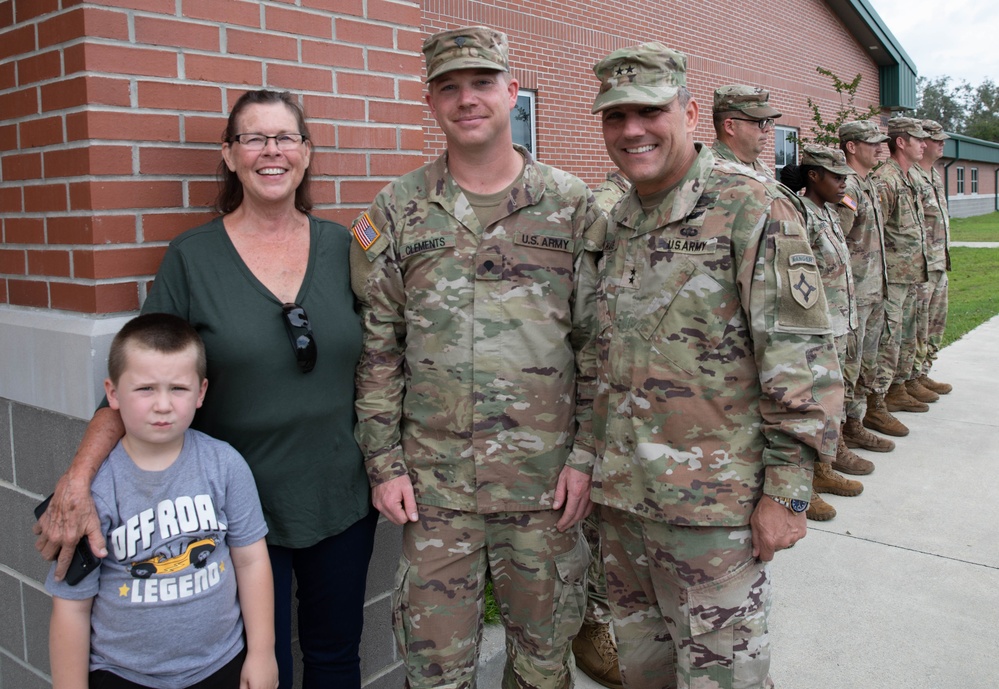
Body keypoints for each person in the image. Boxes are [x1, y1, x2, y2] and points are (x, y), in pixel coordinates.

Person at [35, 89, 377, 689]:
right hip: (232, 509)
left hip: (338, 495)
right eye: (253, 138)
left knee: (334, 653)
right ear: (229, 154)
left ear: (306, 152)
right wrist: (77, 479)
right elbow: (139, 377)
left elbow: (384, 358)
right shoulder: (193, 258)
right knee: (262, 660)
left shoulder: (345, 248)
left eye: (285, 138)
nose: (271, 152)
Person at [350, 26, 603, 689]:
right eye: (449, 87)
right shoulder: (399, 209)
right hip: (435, 493)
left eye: (482, 83)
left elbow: (597, 348)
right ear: (429, 100)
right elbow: (379, 348)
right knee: (434, 670)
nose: (467, 99)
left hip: (545, 488)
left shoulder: (573, 205)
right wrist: (383, 462)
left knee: (543, 666)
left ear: (511, 91)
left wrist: (584, 458)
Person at [587, 42, 842, 687]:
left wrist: (788, 491)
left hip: (714, 515)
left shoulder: (750, 206)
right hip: (623, 504)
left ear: (691, 112)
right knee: (645, 672)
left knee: (724, 676)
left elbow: (801, 355)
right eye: (615, 117)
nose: (632, 130)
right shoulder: (618, 219)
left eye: (650, 111)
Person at [47, 313, 276, 689]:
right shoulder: (92, 493)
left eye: (178, 389)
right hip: (123, 674)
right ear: (113, 393)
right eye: (145, 389)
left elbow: (251, 560)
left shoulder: (225, 465)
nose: (163, 405)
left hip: (219, 665)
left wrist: (262, 653)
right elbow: (72, 608)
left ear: (201, 392)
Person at [780, 144, 871, 522]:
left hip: (841, 320)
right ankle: (805, 483)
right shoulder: (800, 214)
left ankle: (827, 462)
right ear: (813, 176)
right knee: (814, 404)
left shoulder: (831, 212)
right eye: (836, 176)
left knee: (835, 399)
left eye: (845, 176)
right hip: (818, 327)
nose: (843, 183)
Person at [573, 169, 632, 689]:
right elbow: (582, 317)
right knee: (600, 528)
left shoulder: (724, 199)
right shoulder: (603, 207)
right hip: (603, 402)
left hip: (671, 421)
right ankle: (592, 624)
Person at [836, 120, 908, 442]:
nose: (880, 147)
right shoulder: (848, 188)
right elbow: (835, 241)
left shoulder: (867, 184)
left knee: (867, 361)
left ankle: (859, 421)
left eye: (881, 142)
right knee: (849, 366)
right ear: (851, 147)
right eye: (872, 142)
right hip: (855, 295)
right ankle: (843, 431)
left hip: (874, 290)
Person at [872, 117, 931, 417]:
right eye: (917, 139)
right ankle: (877, 399)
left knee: (908, 334)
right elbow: (875, 231)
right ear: (900, 142)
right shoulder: (886, 179)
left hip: (911, 274)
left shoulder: (909, 176)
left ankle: (899, 387)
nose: (924, 144)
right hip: (892, 277)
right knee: (889, 337)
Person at [909, 119, 953, 396]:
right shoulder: (911, 177)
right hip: (920, 266)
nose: (940, 144)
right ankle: (910, 377)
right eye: (936, 139)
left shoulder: (934, 175)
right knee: (918, 323)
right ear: (922, 142)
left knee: (935, 322)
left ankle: (924, 370)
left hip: (939, 262)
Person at [711, 84, 782, 180]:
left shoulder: (761, 167)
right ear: (730, 126)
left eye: (768, 121)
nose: (767, 129)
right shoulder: (709, 171)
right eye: (761, 122)